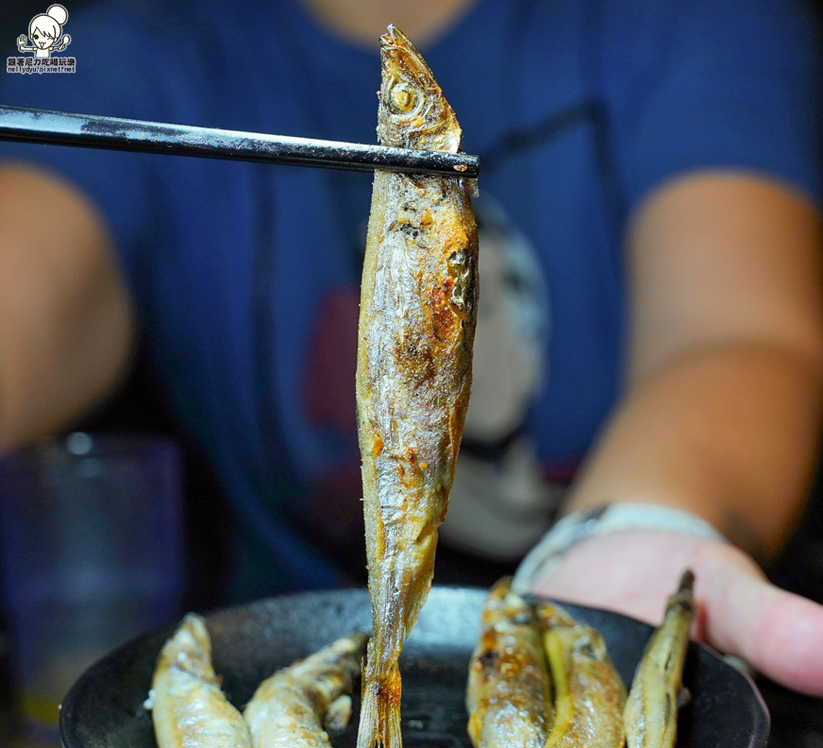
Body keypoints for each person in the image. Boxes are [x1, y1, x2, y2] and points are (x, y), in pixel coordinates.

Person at [1, 0, 822, 697]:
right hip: (262, 672)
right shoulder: (106, 44)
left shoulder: (692, 20)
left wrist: (631, 527)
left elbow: (736, 332)